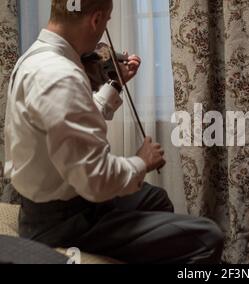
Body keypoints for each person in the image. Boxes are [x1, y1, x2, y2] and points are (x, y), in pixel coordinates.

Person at [4, 0, 223, 264]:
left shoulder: (37, 57)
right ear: (95, 20)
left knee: (155, 198)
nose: (105, 28)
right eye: (107, 21)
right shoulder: (60, 76)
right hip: (63, 221)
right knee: (208, 237)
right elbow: (96, 181)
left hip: (54, 205)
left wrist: (113, 85)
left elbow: (71, 126)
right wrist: (142, 161)